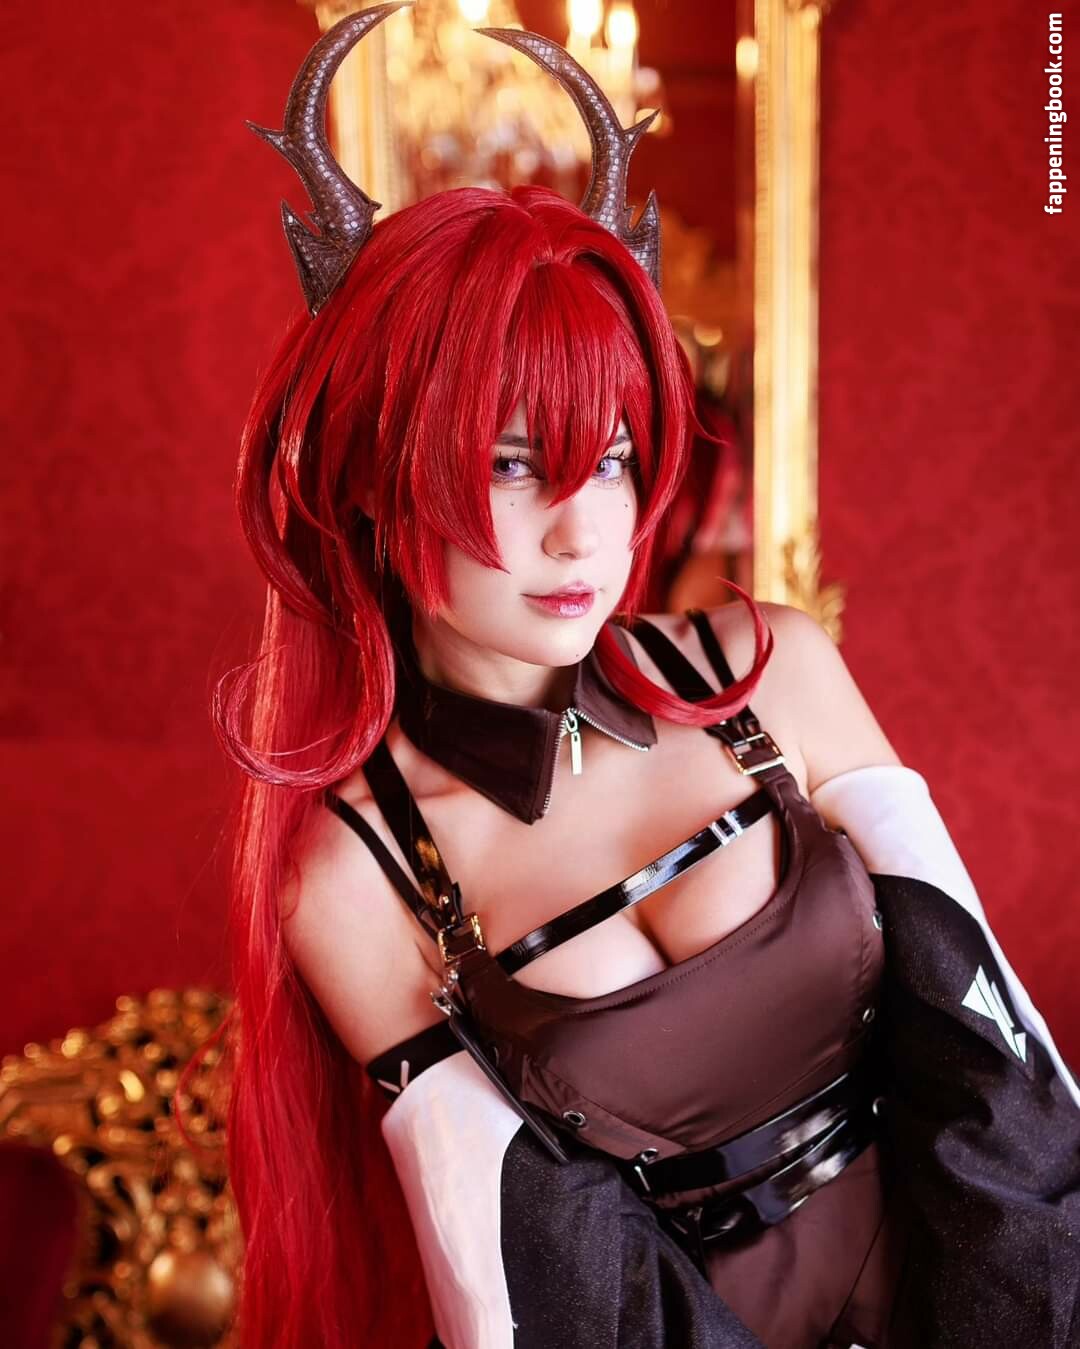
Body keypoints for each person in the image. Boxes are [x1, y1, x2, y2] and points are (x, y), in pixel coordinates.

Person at [195, 8, 1080, 1348]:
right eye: (511, 464)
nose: (582, 532)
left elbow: (992, 1061)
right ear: (373, 482)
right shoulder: (355, 879)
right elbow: (538, 1277)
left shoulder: (774, 671)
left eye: (608, 458)